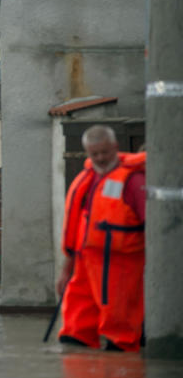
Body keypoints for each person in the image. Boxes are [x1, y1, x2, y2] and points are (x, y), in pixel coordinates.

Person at [56, 125, 146, 351]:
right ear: (88, 152)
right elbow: (78, 227)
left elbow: (152, 226)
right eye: (94, 154)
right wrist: (66, 268)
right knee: (75, 330)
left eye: (105, 152)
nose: (100, 158)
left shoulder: (133, 182)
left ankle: (121, 360)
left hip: (121, 264)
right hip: (85, 262)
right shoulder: (88, 179)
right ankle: (79, 352)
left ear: (115, 147)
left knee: (120, 326)